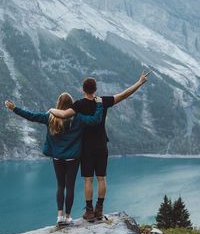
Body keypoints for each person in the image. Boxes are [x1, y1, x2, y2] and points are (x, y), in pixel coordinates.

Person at [49, 70, 149, 222]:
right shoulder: (102, 101)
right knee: (101, 178)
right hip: (102, 145)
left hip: (86, 148)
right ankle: (99, 210)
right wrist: (139, 82)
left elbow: (62, 115)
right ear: (95, 89)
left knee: (88, 180)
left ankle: (89, 212)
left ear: (83, 89)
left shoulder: (78, 105)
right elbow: (124, 95)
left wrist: (51, 110)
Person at [5, 93, 103, 228]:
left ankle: (59, 216)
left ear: (59, 103)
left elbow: (31, 116)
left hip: (57, 158)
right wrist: (99, 105)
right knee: (70, 187)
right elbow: (95, 120)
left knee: (60, 186)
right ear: (71, 104)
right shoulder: (78, 118)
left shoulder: (50, 118)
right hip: (73, 158)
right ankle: (68, 217)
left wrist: (14, 108)